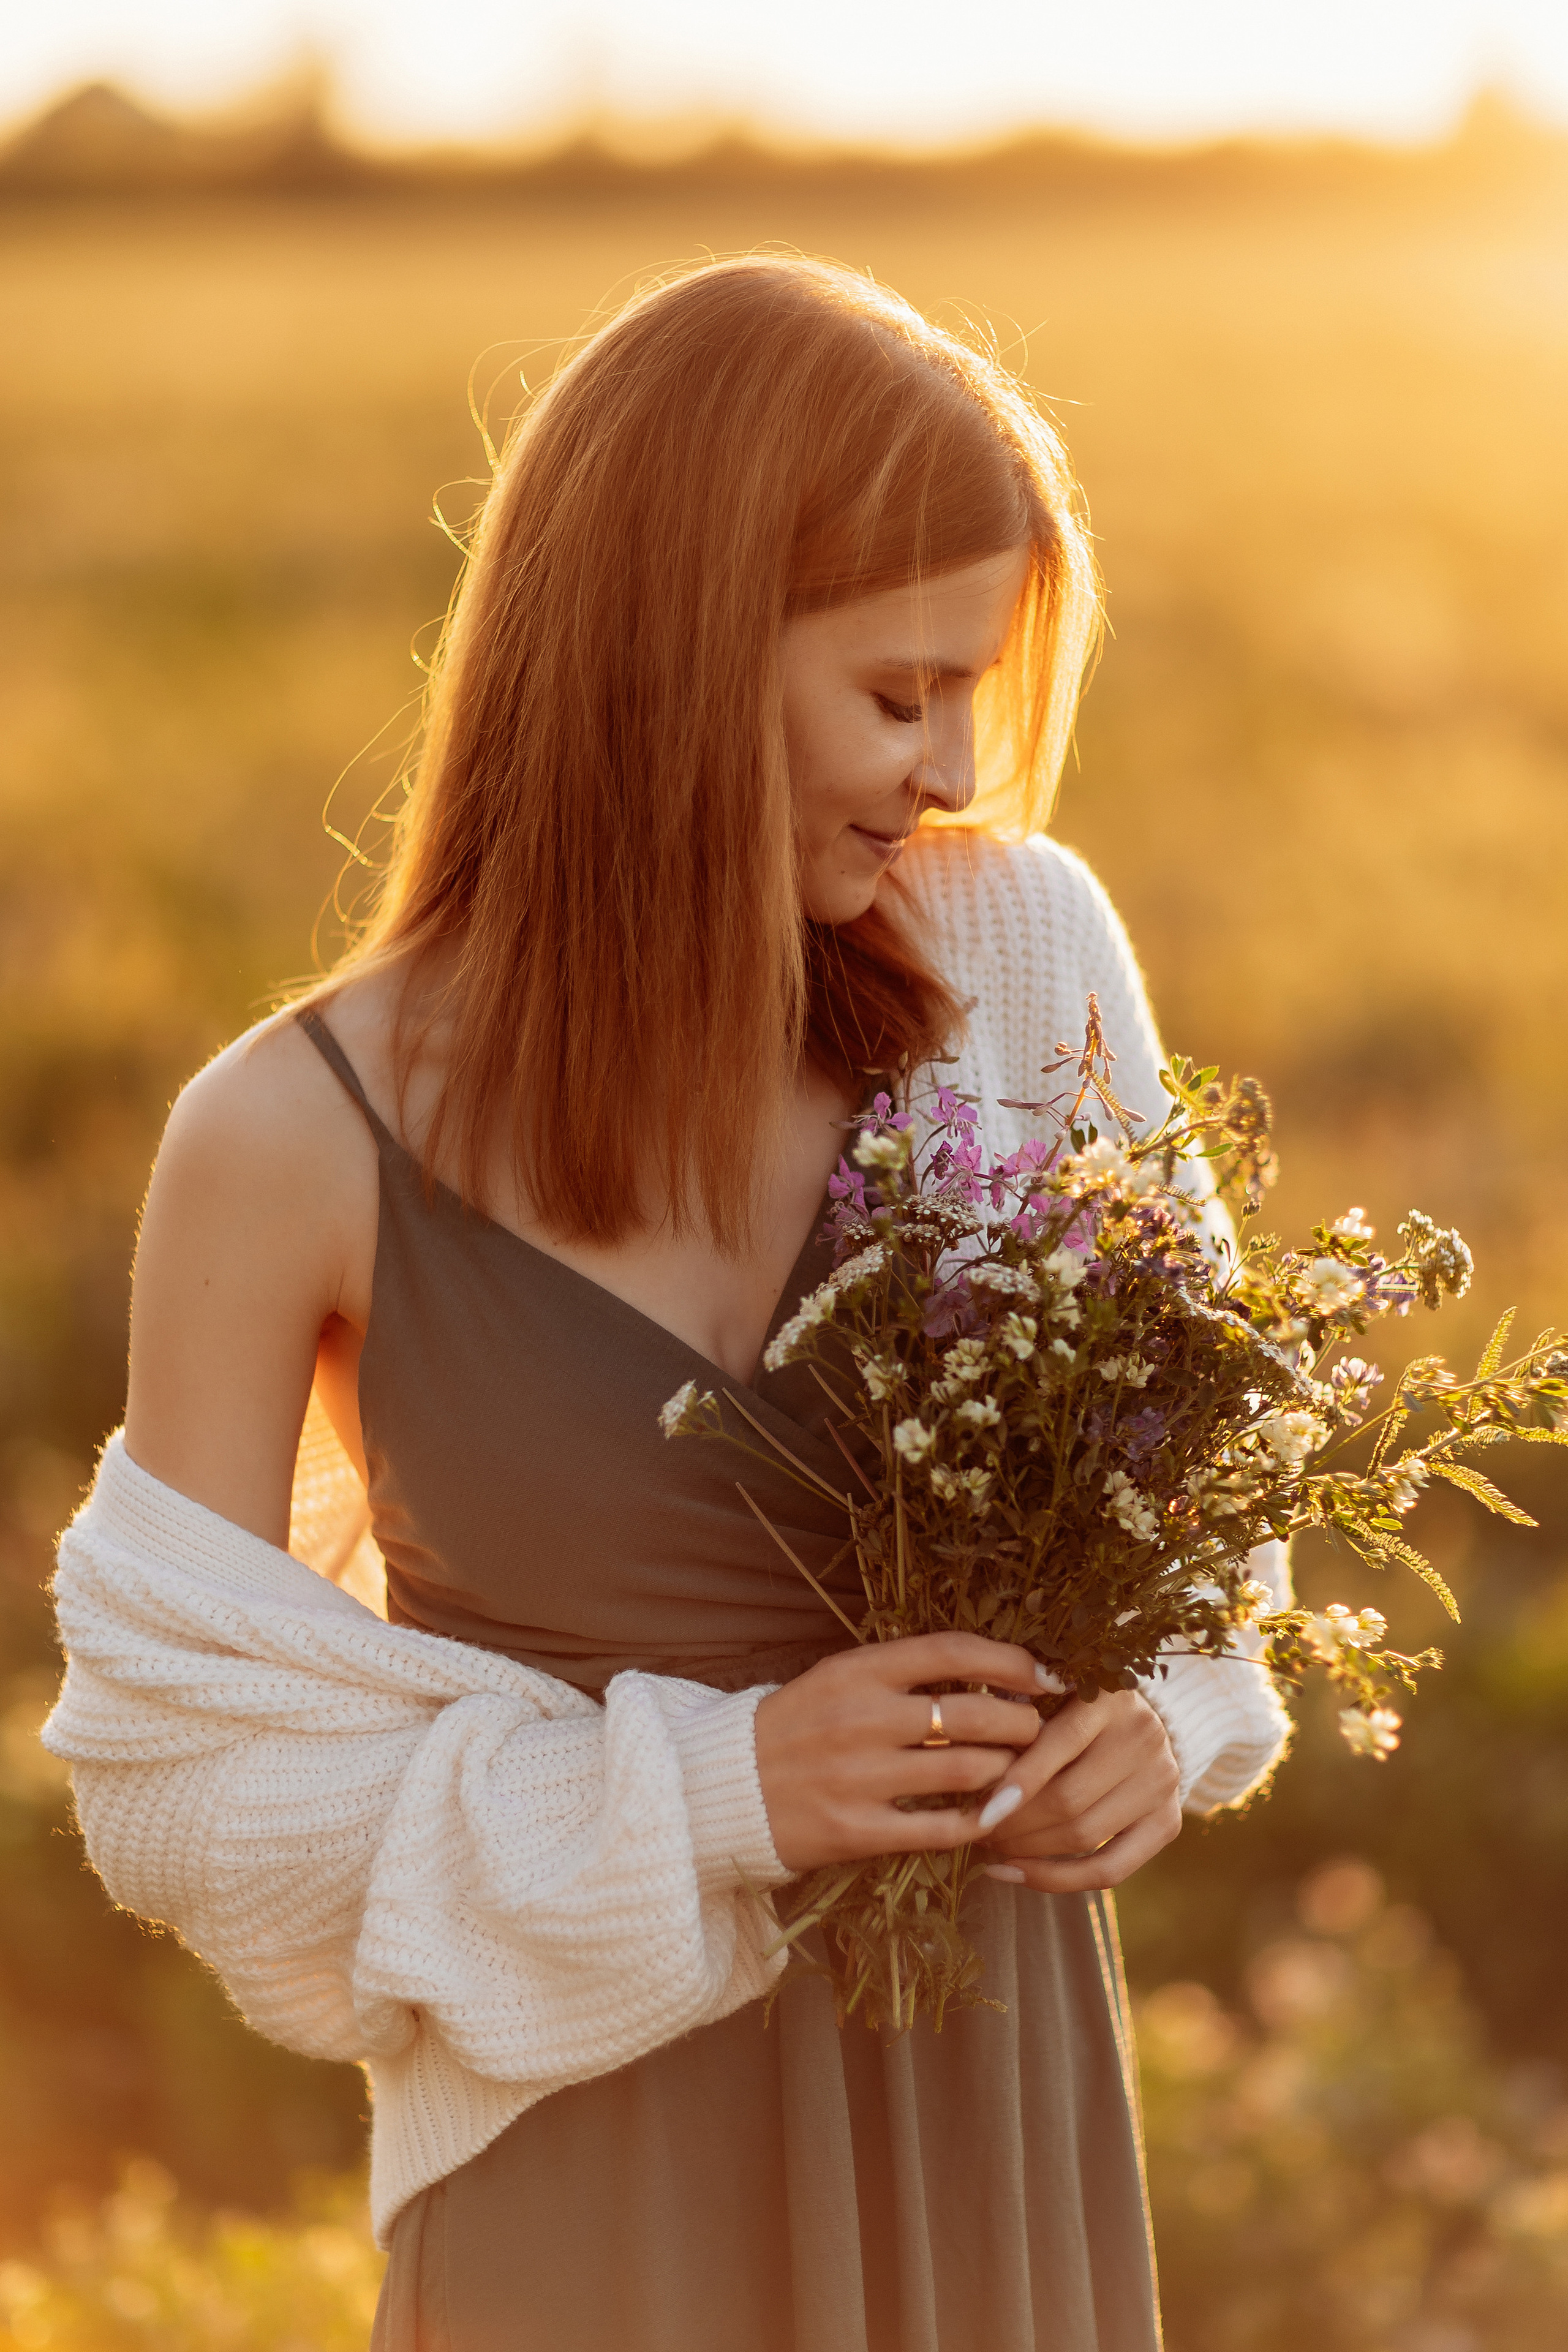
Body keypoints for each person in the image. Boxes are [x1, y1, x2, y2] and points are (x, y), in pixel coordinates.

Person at [45, 256, 1290, 2352]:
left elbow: (1216, 1500)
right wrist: (719, 1800)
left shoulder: (1017, 957)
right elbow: (182, 1786)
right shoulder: (285, 1140)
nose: (954, 767)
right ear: (675, 660)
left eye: (978, 690)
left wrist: (1160, 1728)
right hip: (582, 2178)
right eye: (899, 695)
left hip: (990, 2108)